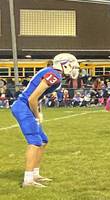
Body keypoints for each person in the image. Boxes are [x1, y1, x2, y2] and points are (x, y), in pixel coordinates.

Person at [11, 53, 80, 188]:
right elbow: (32, 98)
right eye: (72, 66)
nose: (73, 69)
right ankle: (28, 180)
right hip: (23, 107)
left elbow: (38, 97)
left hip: (25, 106)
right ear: (64, 64)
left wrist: (38, 112)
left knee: (43, 140)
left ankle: (35, 174)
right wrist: (37, 115)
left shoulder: (51, 72)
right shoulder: (54, 75)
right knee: (35, 141)